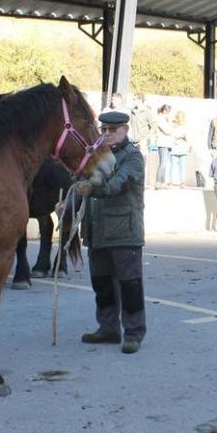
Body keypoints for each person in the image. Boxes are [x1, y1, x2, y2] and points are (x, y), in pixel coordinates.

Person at [75, 110, 146, 355]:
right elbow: (81, 185)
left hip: (125, 232)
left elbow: (117, 185)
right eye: (103, 130)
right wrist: (68, 203)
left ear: (125, 130)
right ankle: (108, 329)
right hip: (98, 232)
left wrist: (89, 190)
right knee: (102, 285)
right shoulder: (96, 156)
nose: (106, 134)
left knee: (130, 286)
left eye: (112, 130)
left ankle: (134, 333)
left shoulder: (133, 157)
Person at [153, 104, 174, 189]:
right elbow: (167, 131)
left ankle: (163, 182)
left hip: (168, 143)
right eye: (168, 112)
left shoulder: (165, 119)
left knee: (165, 163)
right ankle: (158, 181)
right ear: (164, 111)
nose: (169, 114)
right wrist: (171, 125)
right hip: (163, 143)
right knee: (162, 163)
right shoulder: (160, 119)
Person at [169, 110, 190, 188]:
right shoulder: (179, 126)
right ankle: (181, 183)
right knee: (179, 166)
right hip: (178, 147)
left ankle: (175, 182)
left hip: (178, 147)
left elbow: (187, 138)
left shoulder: (173, 125)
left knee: (175, 166)